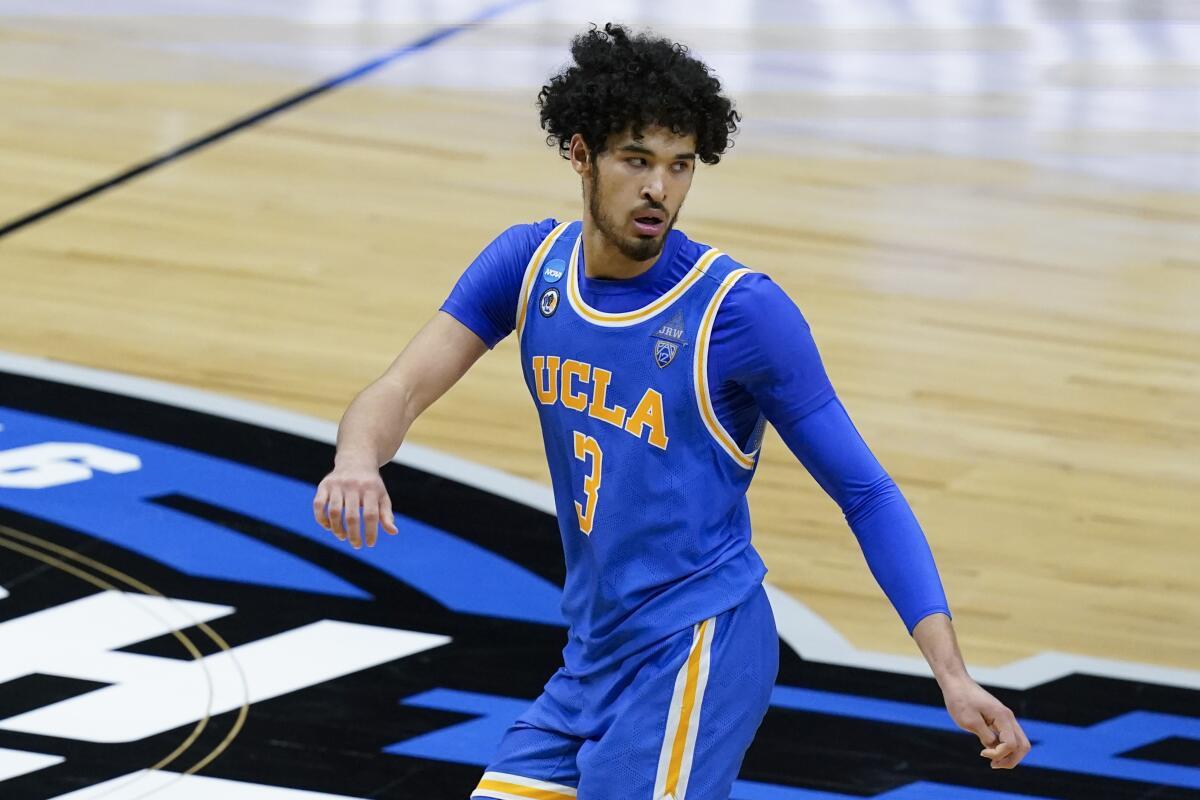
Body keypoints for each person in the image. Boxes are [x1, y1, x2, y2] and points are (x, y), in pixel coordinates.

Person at [312, 22, 1030, 800]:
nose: (661, 189)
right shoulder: (529, 264)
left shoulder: (739, 313)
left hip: (698, 646)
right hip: (593, 654)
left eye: (681, 166)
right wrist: (357, 460)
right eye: (637, 160)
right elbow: (399, 390)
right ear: (580, 154)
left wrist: (951, 674)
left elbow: (866, 492)